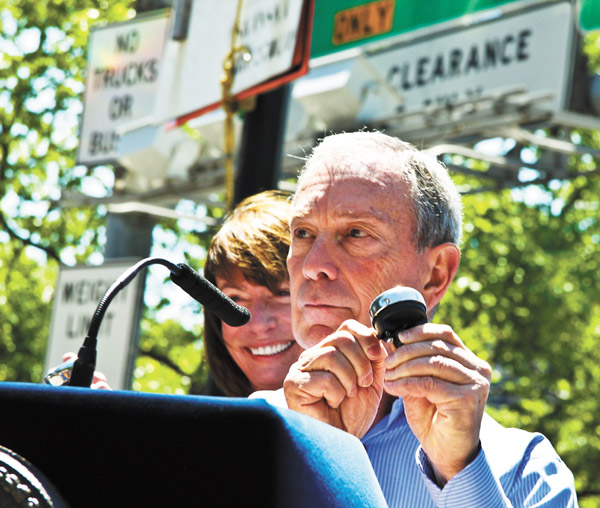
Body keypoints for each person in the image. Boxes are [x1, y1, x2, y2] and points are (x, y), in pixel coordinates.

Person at [254, 132, 578, 507]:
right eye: (303, 233)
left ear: (436, 274)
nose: (313, 266)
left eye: (356, 233)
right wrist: (319, 455)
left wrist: (460, 471)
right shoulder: (241, 436)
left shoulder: (524, 469)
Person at [202, 190, 303, 397]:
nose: (258, 324)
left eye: (283, 293)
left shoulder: (385, 424)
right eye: (236, 299)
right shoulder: (201, 429)